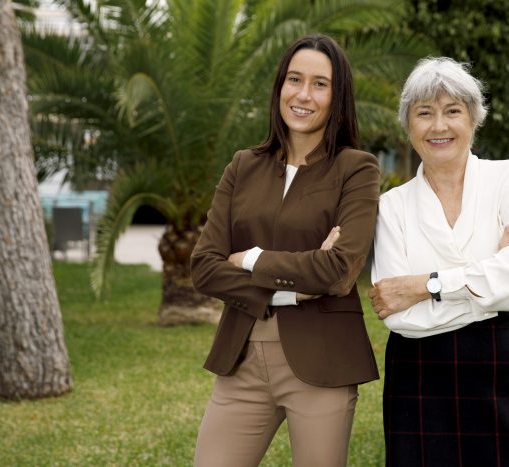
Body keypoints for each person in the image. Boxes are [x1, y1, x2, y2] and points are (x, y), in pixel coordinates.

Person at [190, 33, 380, 467]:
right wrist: (291, 290)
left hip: (323, 364)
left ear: (338, 96)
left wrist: (249, 259)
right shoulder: (244, 165)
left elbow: (338, 269)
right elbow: (203, 267)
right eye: (294, 79)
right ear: (279, 87)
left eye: (319, 84)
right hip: (241, 360)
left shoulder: (357, 168)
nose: (303, 95)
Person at [369, 57, 509, 467]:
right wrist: (489, 278)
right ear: (409, 126)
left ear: (474, 119)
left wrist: (426, 286)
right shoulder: (391, 206)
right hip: (421, 372)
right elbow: (398, 317)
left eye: (453, 111)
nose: (439, 126)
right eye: (425, 113)